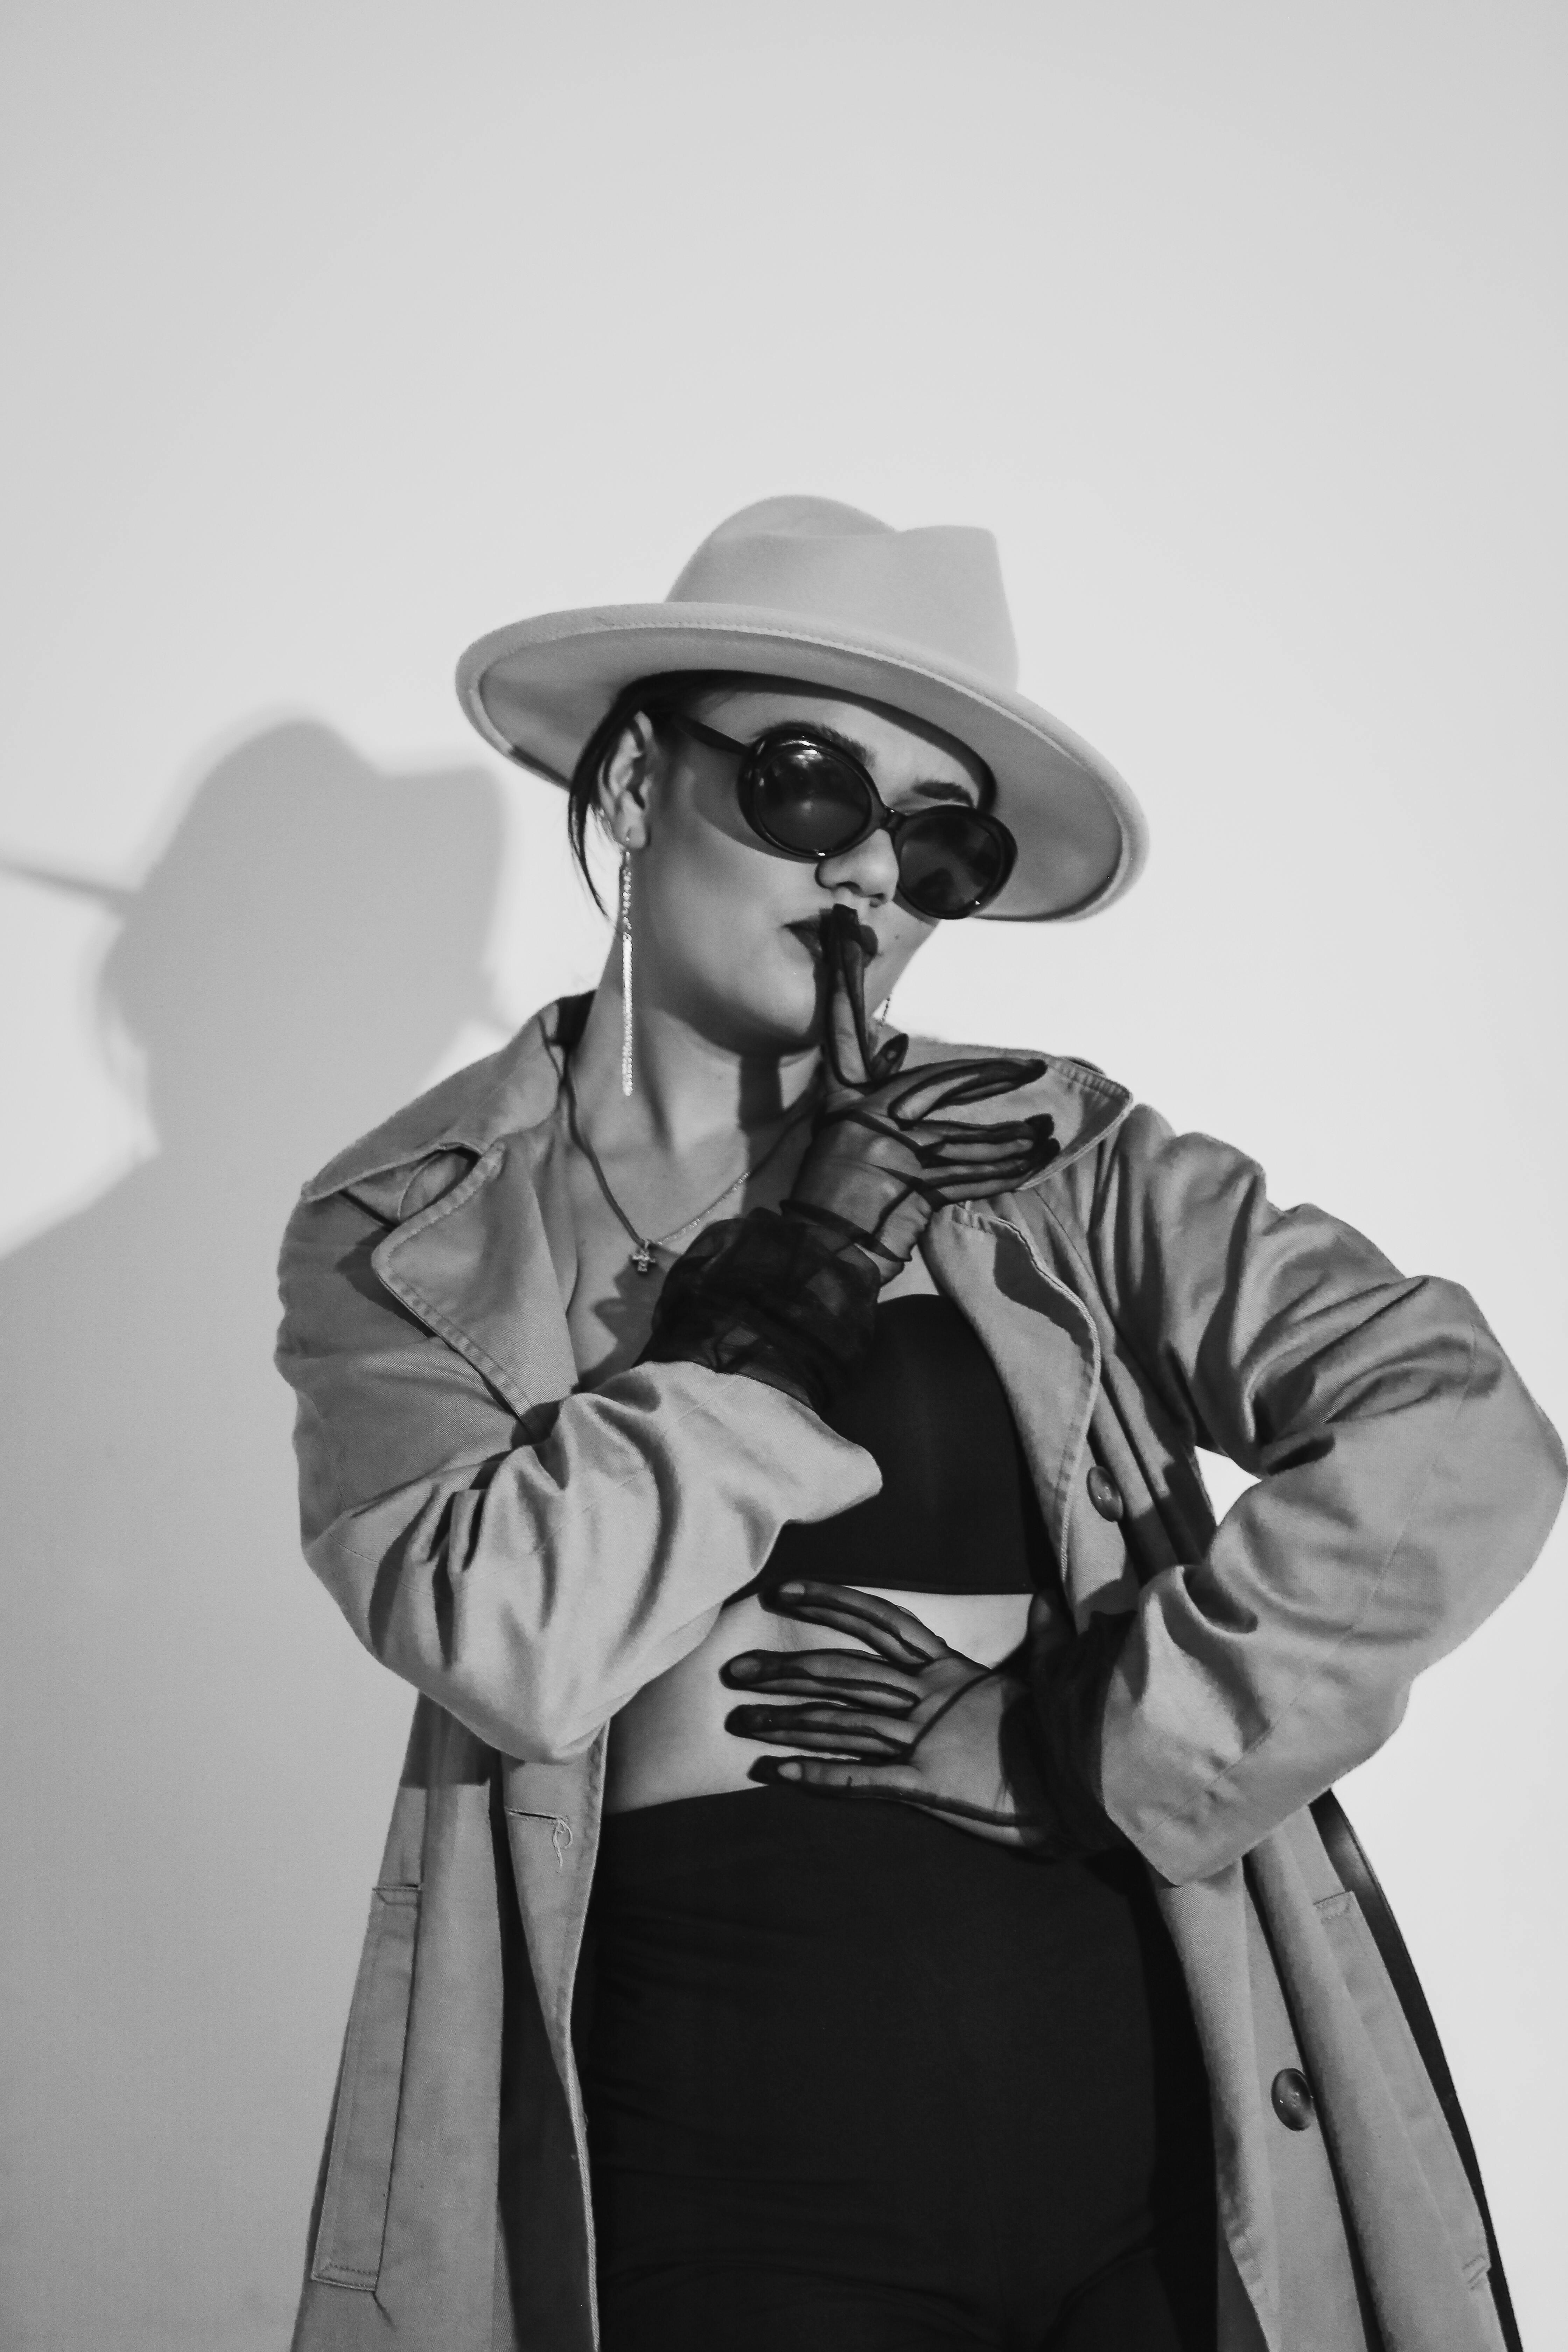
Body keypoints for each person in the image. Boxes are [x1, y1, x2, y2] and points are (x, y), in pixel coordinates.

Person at [275, 497, 1563, 2352]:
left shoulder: (1059, 1162)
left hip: (1140, 2145)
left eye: (934, 837)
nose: (868, 871)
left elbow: (1460, 1436)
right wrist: (793, 1287)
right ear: (640, 787)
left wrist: (1074, 1742)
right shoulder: (415, 1230)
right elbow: (512, 1641)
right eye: (807, 786)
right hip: (724, 2175)